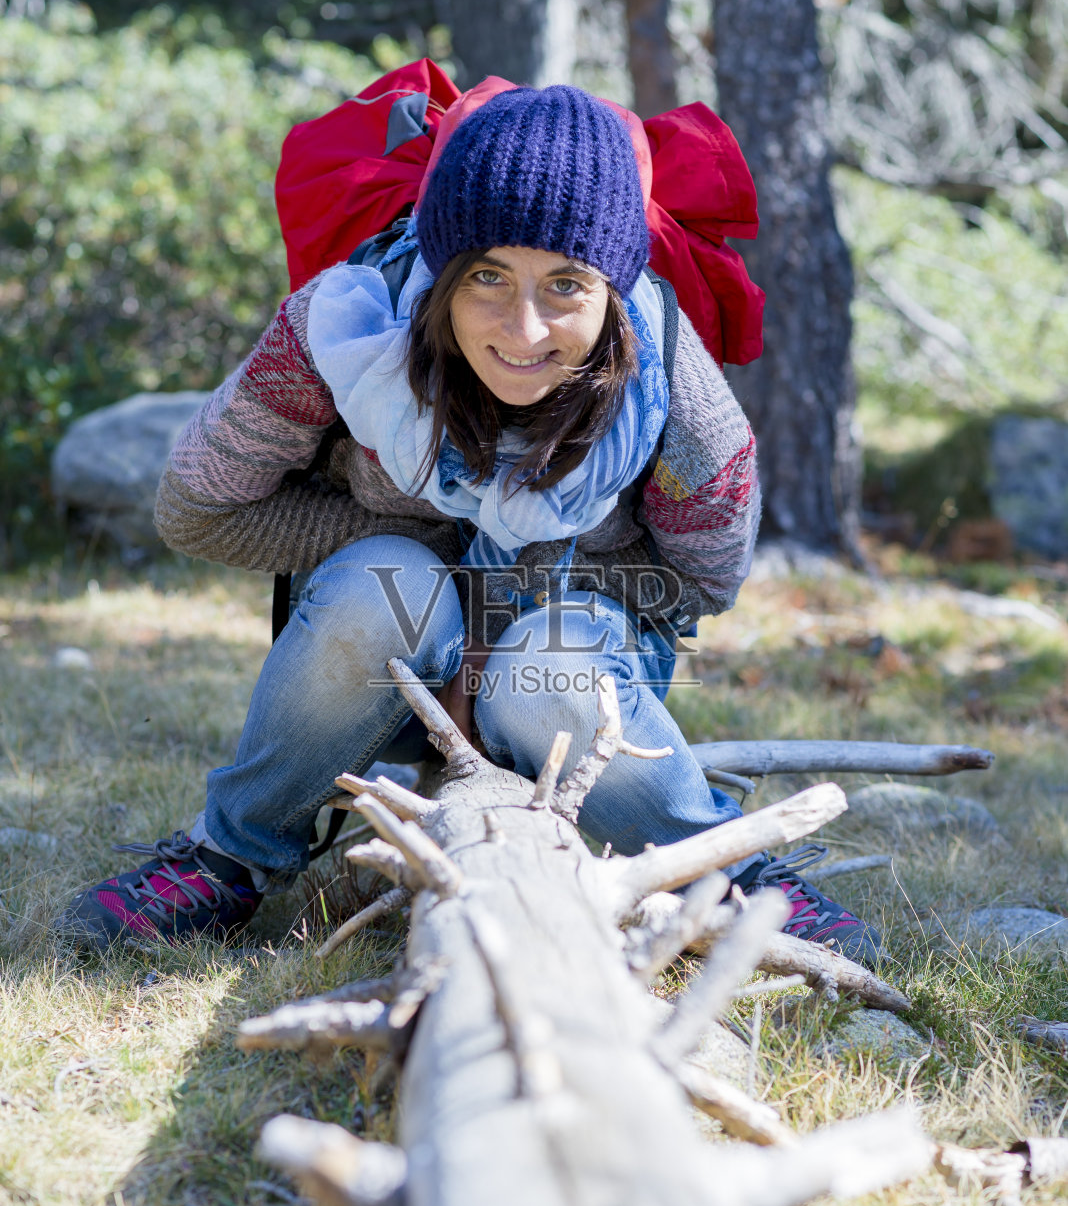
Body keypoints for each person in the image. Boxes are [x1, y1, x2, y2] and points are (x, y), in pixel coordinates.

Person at [55, 84, 880, 965]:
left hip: (575, 668)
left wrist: (507, 617)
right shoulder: (344, 330)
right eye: (488, 276)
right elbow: (198, 507)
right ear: (441, 271)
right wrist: (429, 558)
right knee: (386, 590)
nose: (524, 328)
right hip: (387, 677)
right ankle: (229, 855)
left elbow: (706, 577)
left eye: (565, 285)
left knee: (542, 665)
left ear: (615, 286)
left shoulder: (675, 388)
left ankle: (730, 874)